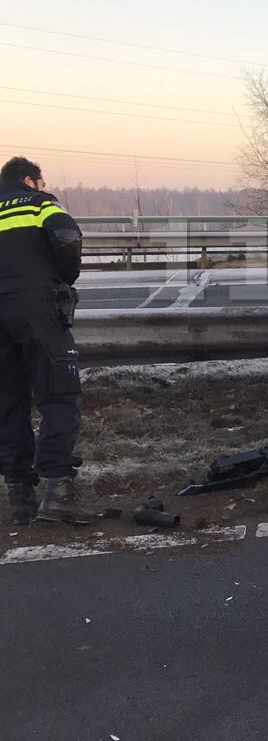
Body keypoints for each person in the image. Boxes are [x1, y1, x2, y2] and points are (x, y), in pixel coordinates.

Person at [0, 156, 95, 524]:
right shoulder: (40, 203)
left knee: (8, 402)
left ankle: (20, 499)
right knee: (58, 395)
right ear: (30, 180)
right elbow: (67, 238)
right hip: (37, 310)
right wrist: (62, 280)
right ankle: (58, 492)